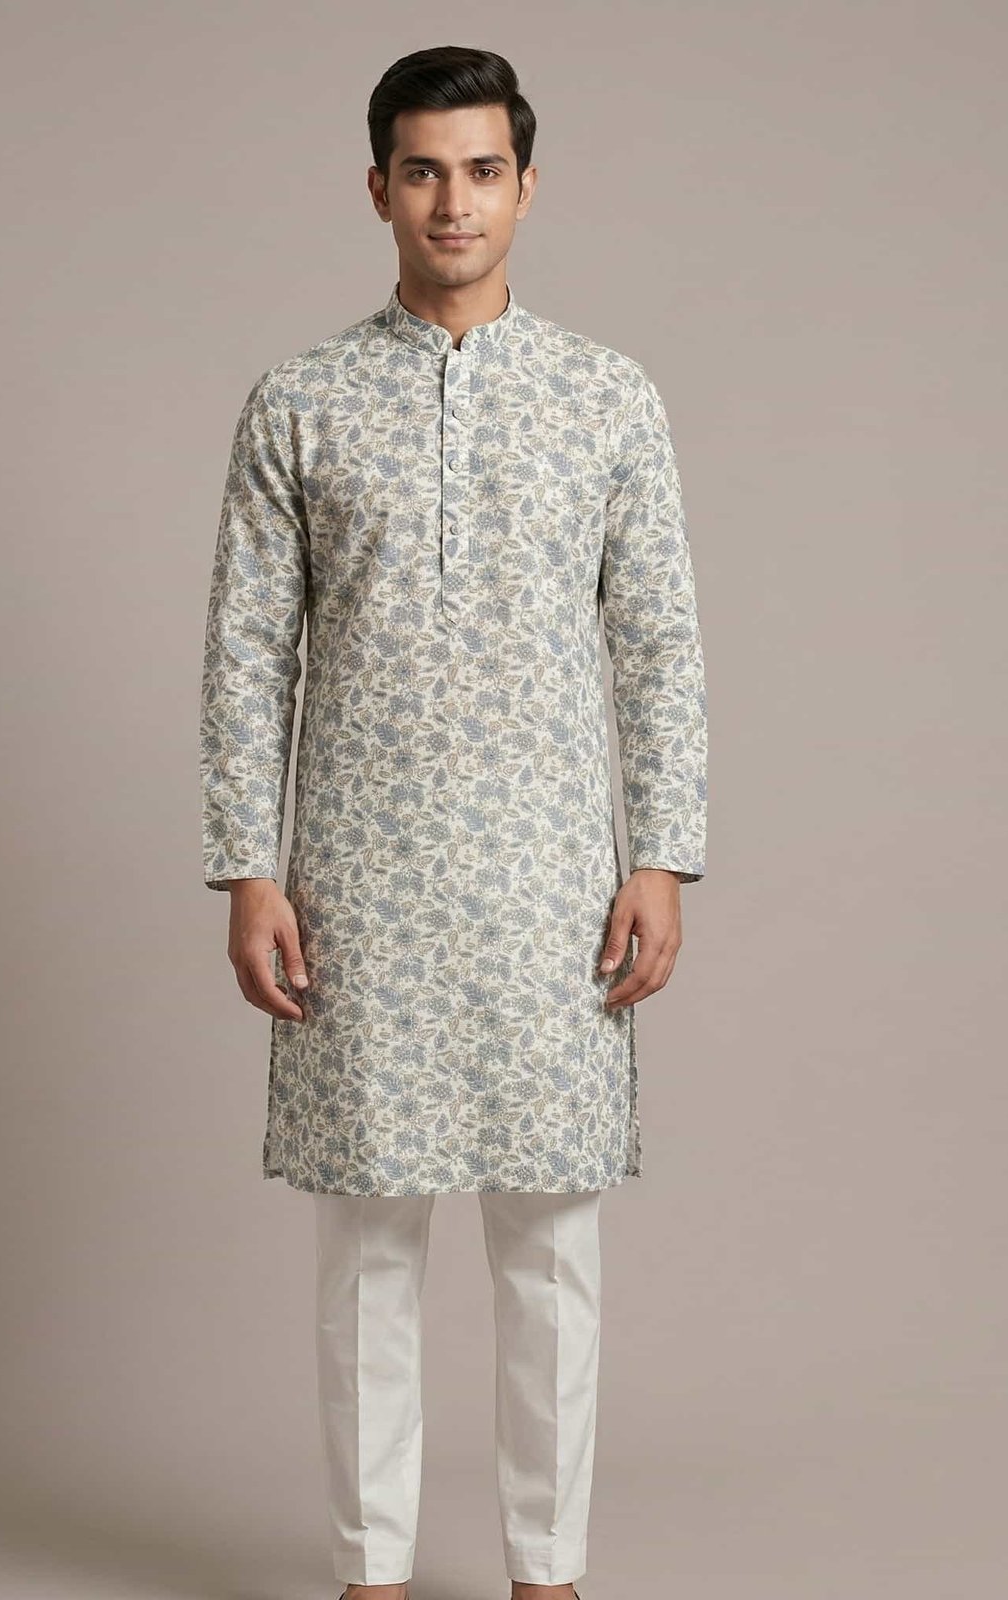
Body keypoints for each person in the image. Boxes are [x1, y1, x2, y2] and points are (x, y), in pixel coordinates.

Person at [199, 43, 708, 1600]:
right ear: (378, 189)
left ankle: (548, 1575)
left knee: (551, 1251)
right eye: (423, 170)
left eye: (483, 169)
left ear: (527, 187)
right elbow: (247, 652)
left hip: (553, 881)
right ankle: (374, 1574)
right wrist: (249, 869)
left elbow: (659, 642)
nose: (454, 201)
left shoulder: (607, 397)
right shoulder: (299, 402)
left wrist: (660, 855)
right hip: (358, 882)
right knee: (367, 1250)